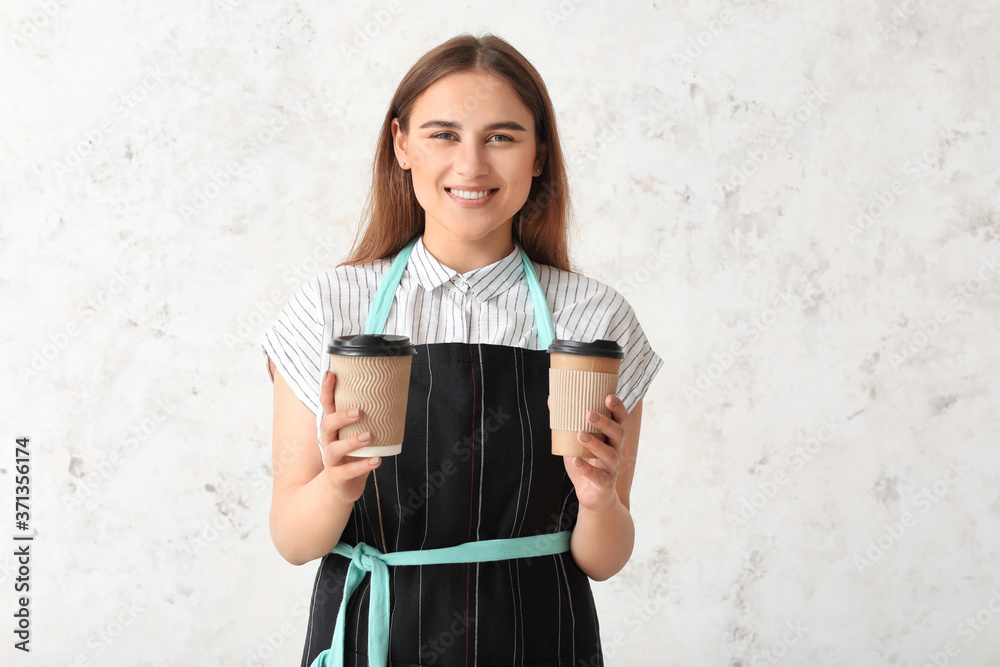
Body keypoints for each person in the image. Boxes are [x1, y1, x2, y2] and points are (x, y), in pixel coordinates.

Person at [261, 32, 664, 667]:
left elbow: (604, 559)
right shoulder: (329, 305)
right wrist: (337, 487)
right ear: (401, 145)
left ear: (538, 156)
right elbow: (291, 538)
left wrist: (599, 499)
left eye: (501, 137)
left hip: (539, 639)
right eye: (443, 135)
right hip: (375, 636)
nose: (471, 165)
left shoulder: (595, 318)